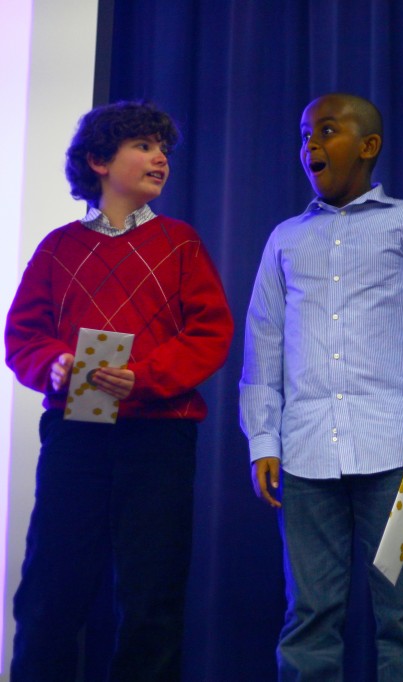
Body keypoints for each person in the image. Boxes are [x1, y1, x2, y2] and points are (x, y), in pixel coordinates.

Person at [4, 101, 233, 681]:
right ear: (99, 161)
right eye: (143, 146)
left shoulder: (180, 243)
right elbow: (22, 335)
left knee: (151, 595)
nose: (160, 158)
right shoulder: (59, 247)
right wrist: (54, 366)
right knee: (51, 589)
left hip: (159, 436)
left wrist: (146, 376)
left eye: (163, 149)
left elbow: (210, 332)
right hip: (76, 436)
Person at [240, 93, 403, 681]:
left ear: (368, 146)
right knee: (309, 612)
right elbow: (263, 341)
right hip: (305, 458)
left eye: (326, 131)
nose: (309, 144)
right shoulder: (285, 237)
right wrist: (263, 439)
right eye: (305, 133)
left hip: (400, 458)